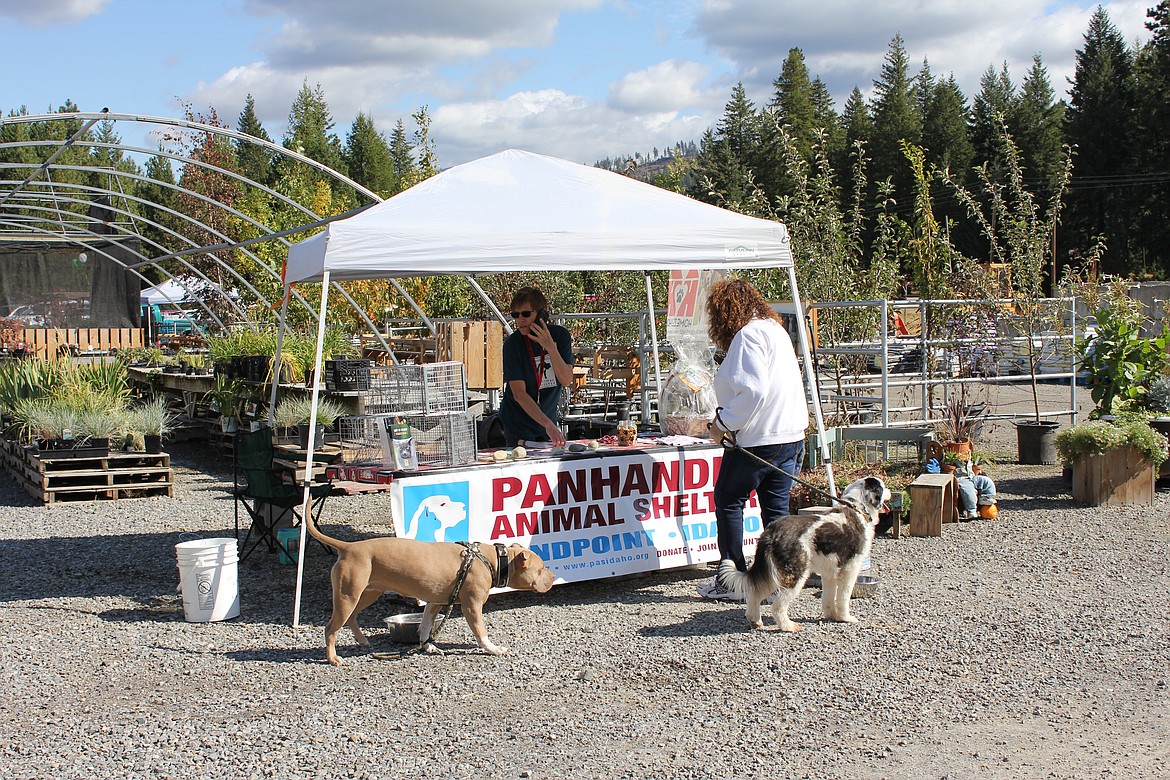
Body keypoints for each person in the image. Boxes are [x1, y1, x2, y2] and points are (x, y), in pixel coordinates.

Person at [698, 278, 810, 600]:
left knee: (729, 500)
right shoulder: (775, 330)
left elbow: (754, 390)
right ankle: (778, 583)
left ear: (725, 311)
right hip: (790, 434)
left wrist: (722, 423)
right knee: (775, 513)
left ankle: (730, 580)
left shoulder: (748, 335)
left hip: (759, 438)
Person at [498, 286, 574, 447]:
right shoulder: (513, 344)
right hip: (518, 425)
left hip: (547, 424)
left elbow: (566, 380)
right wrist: (548, 425)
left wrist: (551, 348)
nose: (520, 319)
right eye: (515, 315)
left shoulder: (560, 336)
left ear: (541, 315)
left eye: (526, 314)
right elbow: (519, 394)